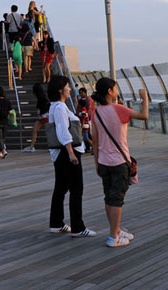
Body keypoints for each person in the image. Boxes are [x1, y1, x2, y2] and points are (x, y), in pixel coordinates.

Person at [91, 78, 148, 248]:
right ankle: (112, 237)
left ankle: (115, 231)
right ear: (109, 91)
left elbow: (95, 140)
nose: (117, 91)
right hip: (119, 162)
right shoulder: (119, 109)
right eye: (115, 88)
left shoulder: (96, 112)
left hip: (103, 161)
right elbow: (144, 115)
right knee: (116, 200)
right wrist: (145, 98)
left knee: (109, 197)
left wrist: (96, 163)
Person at [46, 75, 96, 237]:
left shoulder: (55, 106)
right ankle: (78, 227)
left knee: (61, 188)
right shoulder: (60, 108)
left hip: (61, 153)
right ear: (60, 90)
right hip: (67, 153)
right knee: (76, 189)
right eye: (67, 86)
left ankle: (56, 223)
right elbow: (63, 131)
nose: (70, 89)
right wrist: (71, 153)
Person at [24, 82, 50, 152]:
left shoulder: (41, 99)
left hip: (43, 116)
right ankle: (33, 146)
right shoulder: (43, 97)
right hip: (46, 116)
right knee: (47, 131)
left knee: (35, 130)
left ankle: (32, 146)